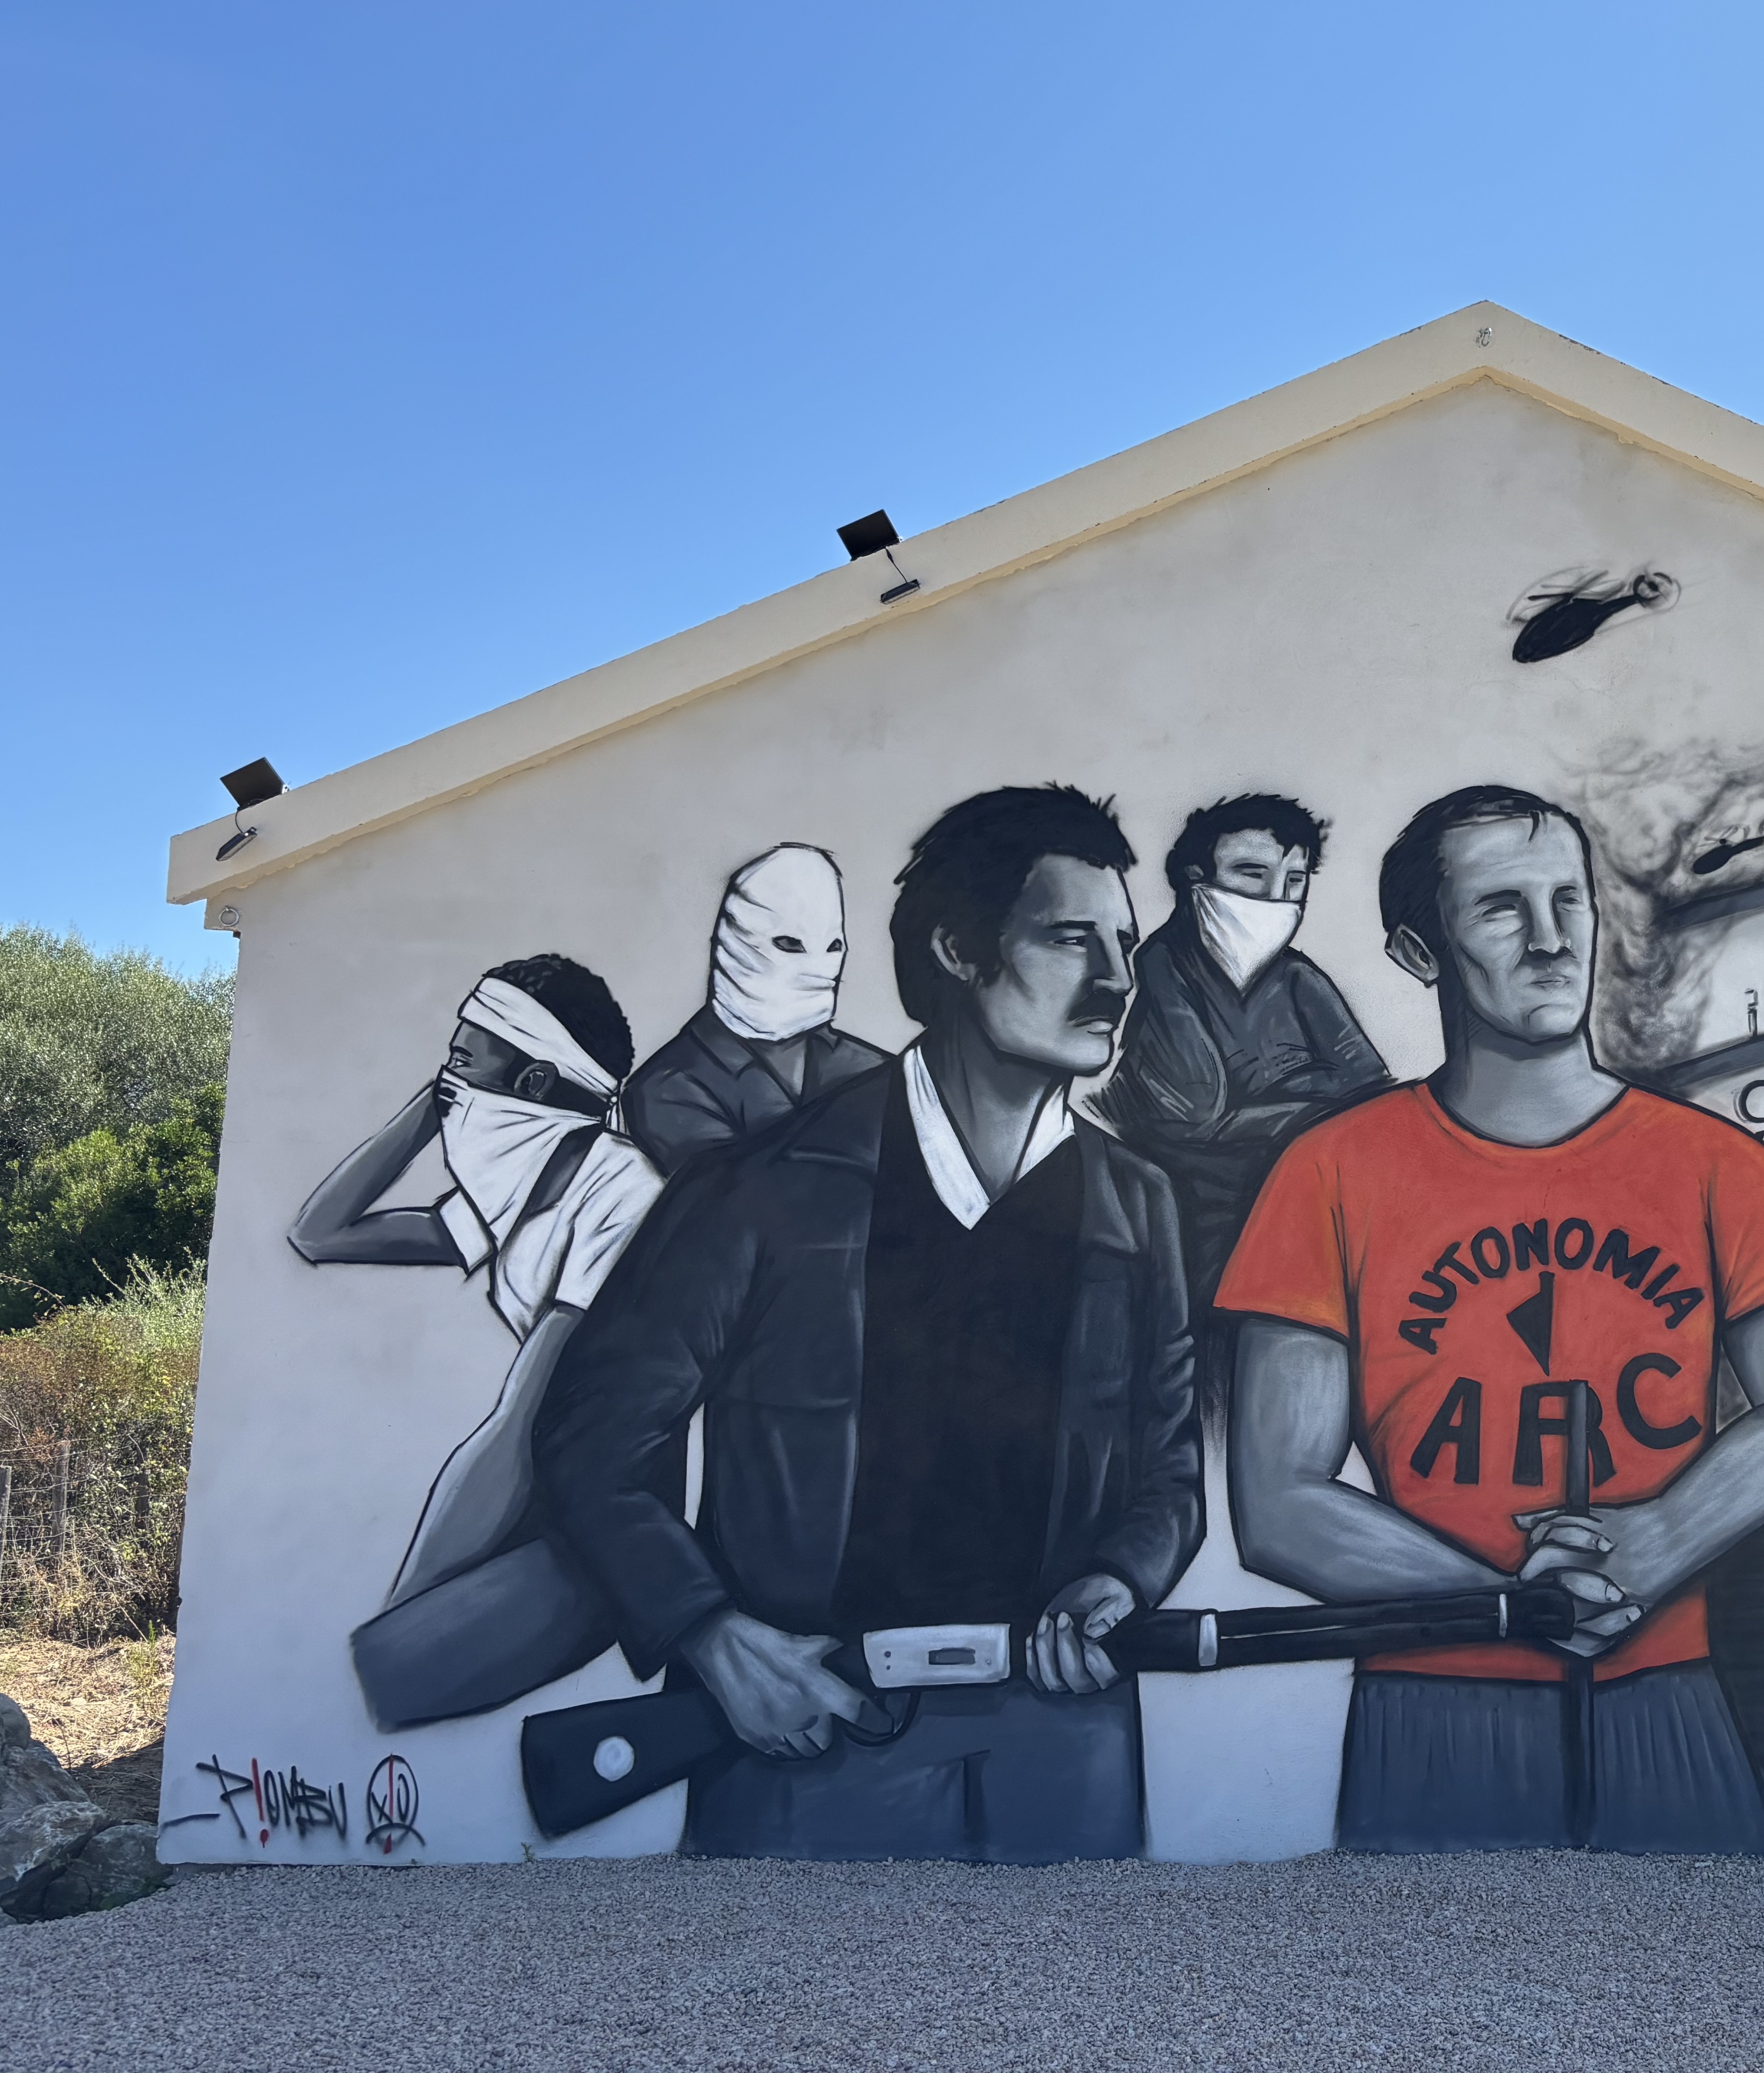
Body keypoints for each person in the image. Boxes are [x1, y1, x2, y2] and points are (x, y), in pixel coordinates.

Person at [532, 786, 1202, 1861]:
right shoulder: (763, 1189)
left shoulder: (1138, 1205)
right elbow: (595, 1444)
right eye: (1074, 939)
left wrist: (1122, 1581)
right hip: (808, 1736)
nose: (1118, 981)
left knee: (1086, 2021)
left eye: (1125, 943)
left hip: (1064, 1736)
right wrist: (712, 1638)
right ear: (959, 950)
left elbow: (1169, 1469)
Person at [1219, 783, 1764, 1855]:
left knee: (1723, 1995)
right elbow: (1279, 1500)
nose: (1553, 941)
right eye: (1504, 909)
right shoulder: (1328, 1174)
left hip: (1666, 1696)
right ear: (1421, 951)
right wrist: (1513, 1604)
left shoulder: (1722, 1172)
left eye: (1570, 902)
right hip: (1433, 1702)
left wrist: (1651, 1549)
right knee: (1424, 2011)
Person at [290, 954, 661, 1609]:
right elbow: (321, 1234)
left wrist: (404, 1603)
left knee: (396, 1663)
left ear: (536, 1080)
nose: (446, 1082)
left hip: (630, 1508)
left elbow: (522, 1421)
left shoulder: (620, 1191)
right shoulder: (515, 1194)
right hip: (563, 1479)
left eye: (462, 1064)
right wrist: (429, 1113)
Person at [1094, 796, 1388, 1408]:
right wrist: (1315, 1100)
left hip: (1299, 1210)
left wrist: (1270, 1115)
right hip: (1199, 1226)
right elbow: (1197, 1114)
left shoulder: (1299, 978)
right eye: (1253, 875)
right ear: (1196, 879)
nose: (1276, 899)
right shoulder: (1162, 966)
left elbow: (1374, 1098)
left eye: (1295, 882)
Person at [622, 843, 888, 1175]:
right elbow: (742, 1203)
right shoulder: (668, 1087)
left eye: (834, 946)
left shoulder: (874, 1069)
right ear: (735, 940)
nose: (817, 965)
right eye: (790, 944)